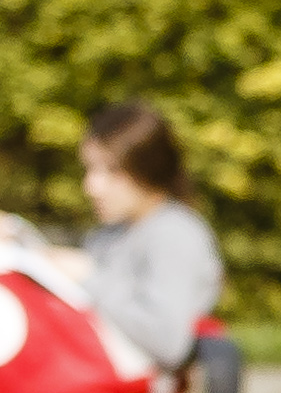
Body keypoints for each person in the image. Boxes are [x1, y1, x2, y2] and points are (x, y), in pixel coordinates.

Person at [76, 102, 223, 377]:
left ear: (147, 170)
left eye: (111, 171)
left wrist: (87, 277)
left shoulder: (175, 234)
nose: (91, 187)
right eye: (89, 170)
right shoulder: (109, 234)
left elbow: (168, 342)